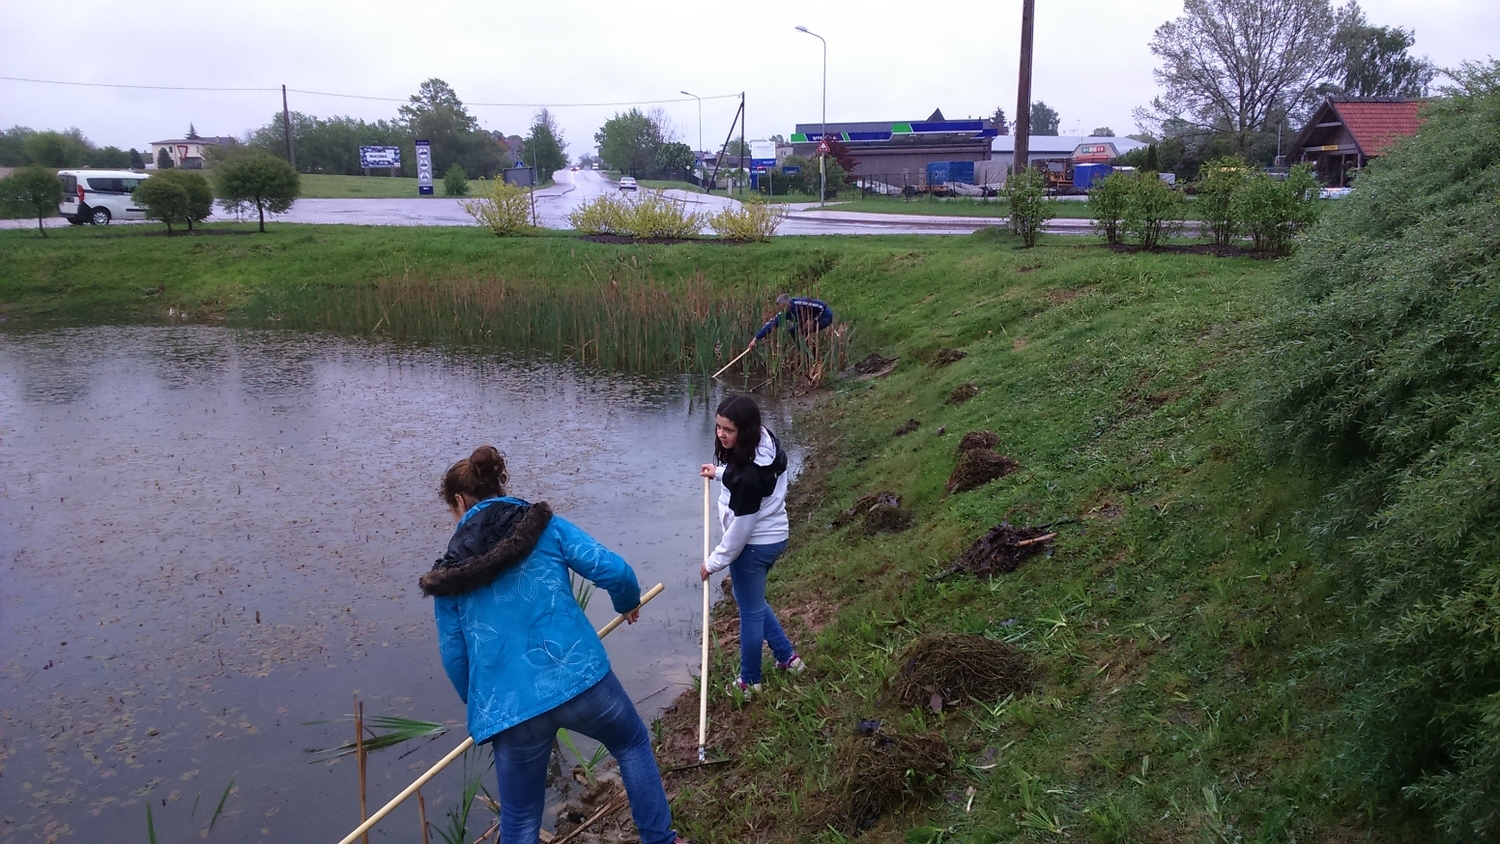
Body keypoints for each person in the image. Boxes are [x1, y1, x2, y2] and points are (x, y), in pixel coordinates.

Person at [421, 446, 687, 844]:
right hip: (580, 679)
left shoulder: (448, 577)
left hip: (510, 710)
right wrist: (627, 601)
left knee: (520, 819)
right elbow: (611, 568)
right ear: (498, 486)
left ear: (459, 502)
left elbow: (455, 657)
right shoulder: (544, 527)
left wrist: (486, 707)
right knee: (631, 745)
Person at [698, 396, 807, 697]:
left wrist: (713, 562)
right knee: (753, 603)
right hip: (774, 537)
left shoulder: (748, 477)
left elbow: (740, 531)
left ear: (745, 430)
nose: (721, 434)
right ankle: (788, 659)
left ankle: (750, 681)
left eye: (729, 430)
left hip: (755, 546)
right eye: (718, 427)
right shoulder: (764, 441)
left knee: (749, 613)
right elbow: (749, 475)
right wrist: (719, 473)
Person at [748, 293, 834, 350]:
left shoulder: (801, 303)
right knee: (793, 331)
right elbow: (771, 325)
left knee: (803, 331)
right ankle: (804, 352)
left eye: (782, 307)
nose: (781, 310)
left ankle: (812, 353)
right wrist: (755, 339)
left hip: (825, 317)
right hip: (807, 322)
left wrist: (814, 320)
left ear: (788, 305)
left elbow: (822, 306)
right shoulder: (785, 313)